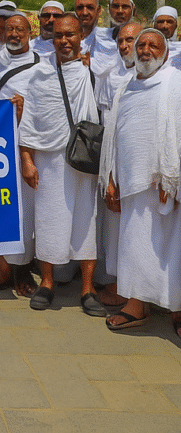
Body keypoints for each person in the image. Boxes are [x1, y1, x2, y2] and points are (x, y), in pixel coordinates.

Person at [18, 13, 105, 316]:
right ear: (51, 38)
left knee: (86, 221)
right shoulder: (39, 75)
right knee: (49, 220)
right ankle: (47, 282)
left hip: (83, 160)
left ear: (82, 36)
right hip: (50, 162)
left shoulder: (93, 73)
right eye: (58, 36)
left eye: (70, 35)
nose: (64, 41)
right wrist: (27, 160)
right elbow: (29, 121)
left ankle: (88, 288)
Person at [100, 28, 181, 333]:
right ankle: (136, 305)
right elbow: (114, 137)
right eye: (141, 44)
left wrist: (172, 178)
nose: (146, 50)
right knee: (135, 246)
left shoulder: (175, 83)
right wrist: (110, 178)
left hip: (166, 185)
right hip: (131, 183)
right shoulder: (125, 87)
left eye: (153, 45)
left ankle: (177, 310)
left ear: (166, 53)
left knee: (173, 248)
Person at [0, 13, 40, 296]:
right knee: (2, 208)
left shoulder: (42, 64)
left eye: (20, 29)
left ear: (30, 32)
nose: (14, 34)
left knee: (26, 212)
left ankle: (23, 271)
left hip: (29, 145)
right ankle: (3, 271)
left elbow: (46, 103)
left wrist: (26, 107)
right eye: (9, 30)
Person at [93, 21, 142, 309]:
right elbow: (107, 125)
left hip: (146, 172)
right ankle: (123, 285)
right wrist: (110, 174)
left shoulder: (162, 79)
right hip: (117, 166)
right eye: (121, 41)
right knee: (117, 233)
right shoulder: (114, 77)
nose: (125, 46)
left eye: (131, 40)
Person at [74, 0, 117, 74]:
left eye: (90, 7)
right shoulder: (65, 40)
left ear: (98, 10)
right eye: (80, 8)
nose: (84, 12)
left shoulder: (110, 37)